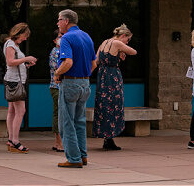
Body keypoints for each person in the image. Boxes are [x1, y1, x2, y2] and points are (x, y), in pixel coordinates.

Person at [54, 9, 97, 168]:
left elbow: (68, 62)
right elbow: (93, 64)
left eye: (59, 20)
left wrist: (57, 73)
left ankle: (73, 158)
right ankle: (82, 155)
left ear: (66, 21)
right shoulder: (86, 36)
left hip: (70, 83)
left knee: (66, 122)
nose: (57, 23)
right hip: (85, 83)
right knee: (79, 121)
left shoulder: (67, 37)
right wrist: (83, 76)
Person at [92, 24, 137, 151]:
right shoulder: (117, 43)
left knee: (104, 105)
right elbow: (134, 52)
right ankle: (109, 137)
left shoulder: (104, 42)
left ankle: (107, 137)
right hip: (112, 76)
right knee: (114, 104)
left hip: (102, 76)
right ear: (123, 36)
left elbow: (96, 60)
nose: (127, 42)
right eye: (127, 39)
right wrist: (123, 49)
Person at [4, 23, 36, 153]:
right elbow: (10, 62)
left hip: (14, 80)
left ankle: (11, 139)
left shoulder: (13, 44)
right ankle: (15, 141)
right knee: (20, 111)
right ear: (19, 32)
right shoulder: (11, 44)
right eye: (25, 35)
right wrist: (26, 59)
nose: (25, 38)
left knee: (12, 110)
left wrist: (25, 64)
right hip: (15, 82)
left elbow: (14, 64)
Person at [49, 29, 64, 152]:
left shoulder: (63, 50)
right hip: (56, 86)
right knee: (59, 114)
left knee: (60, 114)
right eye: (60, 36)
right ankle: (59, 143)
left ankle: (57, 142)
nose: (62, 38)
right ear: (55, 40)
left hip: (61, 86)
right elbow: (58, 68)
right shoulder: (56, 52)